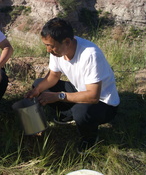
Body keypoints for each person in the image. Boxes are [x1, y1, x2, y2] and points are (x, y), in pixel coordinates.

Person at [25, 17, 119, 154]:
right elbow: (53, 76)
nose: (47, 50)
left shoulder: (90, 55)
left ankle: (89, 139)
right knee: (39, 84)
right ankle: (67, 115)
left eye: (50, 46)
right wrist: (37, 90)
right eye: (46, 45)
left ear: (67, 42)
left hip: (104, 103)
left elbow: (93, 96)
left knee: (81, 111)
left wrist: (58, 96)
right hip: (81, 89)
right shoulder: (58, 50)